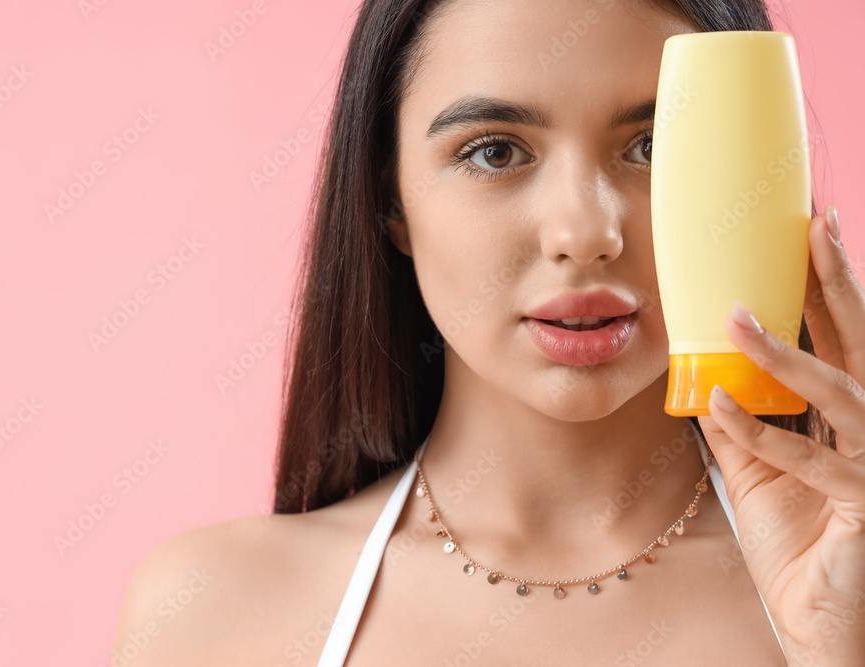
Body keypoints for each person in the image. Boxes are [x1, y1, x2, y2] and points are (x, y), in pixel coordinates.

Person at [112, 0, 865, 664]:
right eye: (494, 151)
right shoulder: (213, 616)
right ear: (391, 198)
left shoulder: (842, 580)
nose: (584, 232)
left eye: (653, 147)